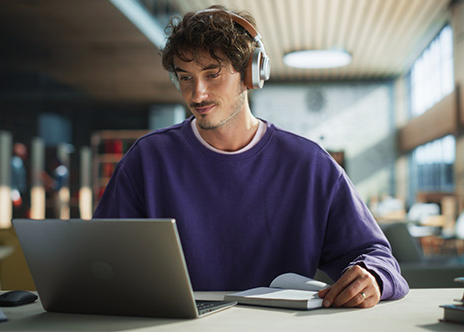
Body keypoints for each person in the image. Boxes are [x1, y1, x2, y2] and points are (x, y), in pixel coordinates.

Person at [93, 5, 409, 308]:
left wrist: (374, 278)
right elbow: (98, 258)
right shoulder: (147, 160)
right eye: (185, 77)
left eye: (212, 74)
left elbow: (376, 256)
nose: (197, 93)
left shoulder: (309, 164)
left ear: (250, 74)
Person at [11, 142, 28, 218]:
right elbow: (14, 179)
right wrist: (15, 194)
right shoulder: (17, 162)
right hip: (15, 191)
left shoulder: (16, 161)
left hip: (16, 190)